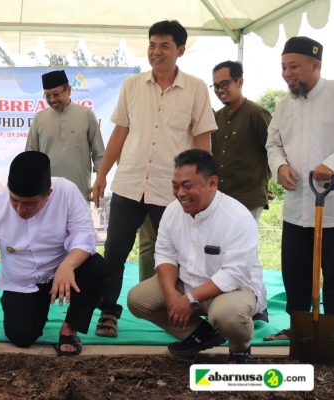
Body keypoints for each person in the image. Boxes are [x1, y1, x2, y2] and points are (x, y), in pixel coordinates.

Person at [91, 20, 217, 338]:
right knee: (115, 253)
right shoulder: (132, 85)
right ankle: (108, 313)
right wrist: (102, 174)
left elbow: (203, 140)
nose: (156, 52)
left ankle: (189, 310)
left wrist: (203, 185)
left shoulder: (197, 88)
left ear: (180, 50)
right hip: (129, 184)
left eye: (164, 45)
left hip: (173, 191)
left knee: (182, 255)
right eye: (152, 45)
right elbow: (120, 132)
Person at [0, 151, 104, 356]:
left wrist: (68, 265)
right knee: (21, 336)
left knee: (95, 266)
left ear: (48, 195)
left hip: (62, 272)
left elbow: (85, 237)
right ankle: (30, 308)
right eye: (15, 200)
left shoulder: (67, 193)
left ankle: (69, 329)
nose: (20, 209)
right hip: (23, 281)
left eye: (29, 204)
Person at [127, 149, 266, 364]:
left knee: (228, 315)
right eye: (175, 186)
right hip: (187, 284)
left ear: (213, 183)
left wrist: (189, 299)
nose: (180, 193)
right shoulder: (173, 211)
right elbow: (165, 254)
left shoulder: (237, 217)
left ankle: (240, 349)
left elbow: (233, 274)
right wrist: (171, 294)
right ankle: (200, 334)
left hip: (232, 290)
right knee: (138, 300)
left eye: (188, 186)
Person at [265, 36, 334, 346]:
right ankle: (299, 329)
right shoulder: (285, 104)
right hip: (296, 206)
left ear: (315, 65)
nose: (287, 73)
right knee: (295, 272)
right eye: (283, 67)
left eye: (294, 67)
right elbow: (273, 142)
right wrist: (279, 167)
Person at [211, 60, 271, 323]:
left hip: (247, 197)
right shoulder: (215, 117)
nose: (220, 90)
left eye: (224, 84)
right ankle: (229, 303)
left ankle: (259, 305)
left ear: (240, 81)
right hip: (220, 200)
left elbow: (275, 152)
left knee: (247, 255)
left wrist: (264, 182)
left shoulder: (257, 114)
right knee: (223, 253)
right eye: (216, 86)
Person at [25, 70, 105, 200]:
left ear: (69, 90)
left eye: (56, 94)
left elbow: (99, 153)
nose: (52, 100)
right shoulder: (39, 119)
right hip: (47, 193)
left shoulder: (86, 115)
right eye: (47, 95)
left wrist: (100, 180)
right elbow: (30, 156)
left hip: (79, 191)